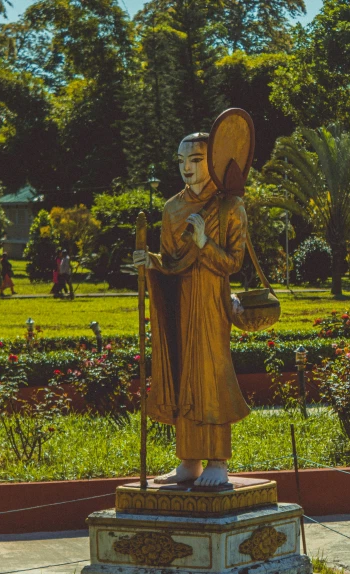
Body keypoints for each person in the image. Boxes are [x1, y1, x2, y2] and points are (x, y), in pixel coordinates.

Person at [133, 132, 249, 487]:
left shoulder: (231, 207)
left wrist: (204, 242)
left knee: (211, 377)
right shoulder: (172, 209)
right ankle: (188, 461)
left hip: (212, 303)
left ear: (211, 162)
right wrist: (149, 261)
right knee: (183, 374)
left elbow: (234, 263)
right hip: (181, 301)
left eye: (196, 160)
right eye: (182, 160)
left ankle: (217, 461)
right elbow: (170, 263)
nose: (187, 167)